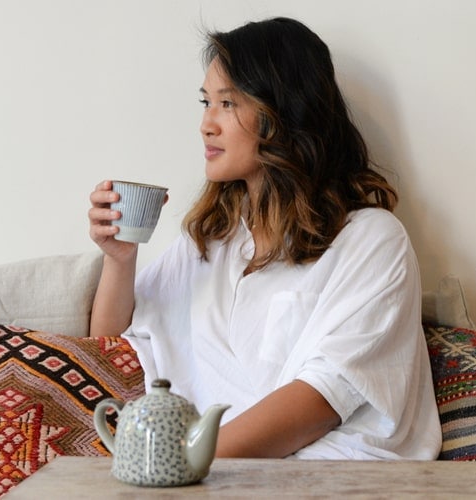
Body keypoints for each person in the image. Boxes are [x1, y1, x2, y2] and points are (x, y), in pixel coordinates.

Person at [86, 17, 440, 460]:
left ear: (283, 113)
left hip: (336, 475)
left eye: (228, 104)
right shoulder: (210, 240)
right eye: (205, 102)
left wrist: (183, 462)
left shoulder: (371, 240)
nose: (206, 124)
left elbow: (322, 401)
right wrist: (120, 259)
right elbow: (107, 348)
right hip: (215, 476)